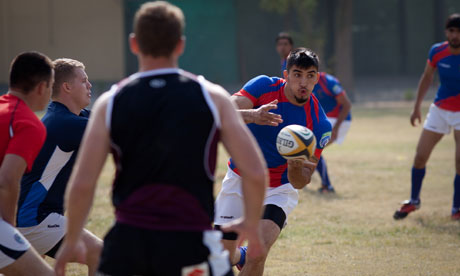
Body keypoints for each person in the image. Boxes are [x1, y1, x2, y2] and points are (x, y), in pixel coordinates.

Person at [54, 2, 267, 276]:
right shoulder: (213, 97)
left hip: (129, 243)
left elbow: (83, 183)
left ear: (134, 44)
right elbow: (255, 171)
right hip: (193, 241)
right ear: (180, 44)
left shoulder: (111, 102)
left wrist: (71, 241)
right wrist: (250, 222)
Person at [214, 48, 332, 276]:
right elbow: (223, 112)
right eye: (297, 74)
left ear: (317, 78)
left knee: (259, 252)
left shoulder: (319, 124)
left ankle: (250, 255)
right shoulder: (263, 86)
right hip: (240, 178)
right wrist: (253, 115)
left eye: (310, 76)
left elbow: (300, 182)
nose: (303, 82)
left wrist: (295, 166)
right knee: (222, 257)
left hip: (279, 188)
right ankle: (240, 256)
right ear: (285, 74)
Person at [16, 58, 102, 275]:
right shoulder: (66, 124)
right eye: (84, 81)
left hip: (31, 216)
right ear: (67, 87)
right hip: (35, 218)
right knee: (99, 254)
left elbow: (109, 118)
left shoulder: (65, 116)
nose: (89, 85)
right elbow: (115, 130)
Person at [394, 13, 460, 220]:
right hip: (439, 109)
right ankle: (414, 201)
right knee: (420, 155)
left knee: (459, 161)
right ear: (446, 32)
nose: (455, 35)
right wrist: (416, 107)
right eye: (451, 31)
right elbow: (427, 77)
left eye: (459, 32)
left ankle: (456, 208)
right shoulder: (437, 51)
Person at [0, 52, 55, 275]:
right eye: (51, 86)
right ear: (42, 87)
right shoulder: (29, 124)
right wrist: (9, 227)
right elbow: (7, 180)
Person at [312, 72, 352, 193]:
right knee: (310, 149)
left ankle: (327, 186)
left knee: (313, 149)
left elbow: (347, 105)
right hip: (327, 119)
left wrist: (336, 128)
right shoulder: (305, 83)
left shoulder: (329, 82)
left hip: (339, 120)